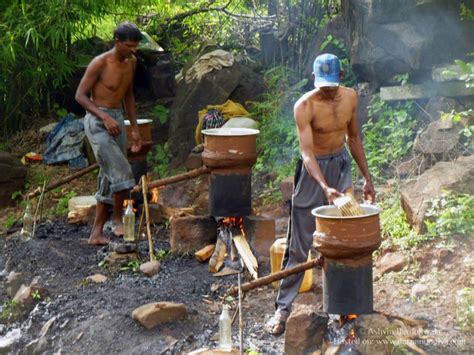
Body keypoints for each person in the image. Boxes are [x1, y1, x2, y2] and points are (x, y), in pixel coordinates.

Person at [265, 53, 376, 335]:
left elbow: (354, 138)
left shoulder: (350, 97)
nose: (327, 91)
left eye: (332, 85)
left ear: (340, 78)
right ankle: (283, 308)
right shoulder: (304, 106)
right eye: (322, 85)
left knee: (344, 236)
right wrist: (324, 186)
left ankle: (345, 307)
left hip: (340, 164)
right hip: (313, 170)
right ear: (314, 79)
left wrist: (367, 178)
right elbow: (306, 152)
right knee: (298, 243)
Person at [75, 23, 143, 245]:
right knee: (122, 171)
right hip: (97, 120)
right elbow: (80, 96)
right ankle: (117, 219)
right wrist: (104, 117)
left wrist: (134, 128)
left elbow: (129, 96)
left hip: (118, 119)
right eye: (129, 46)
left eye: (136, 46)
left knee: (108, 176)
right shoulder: (100, 63)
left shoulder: (131, 62)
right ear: (117, 42)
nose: (133, 51)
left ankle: (96, 234)